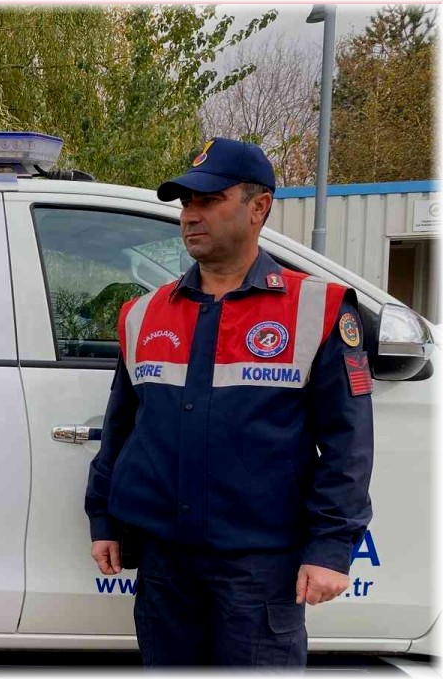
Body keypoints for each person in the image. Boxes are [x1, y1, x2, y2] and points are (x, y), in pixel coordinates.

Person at [84, 138, 374, 667]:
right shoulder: (142, 314)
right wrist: (103, 517)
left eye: (209, 200)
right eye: (186, 203)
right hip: (165, 563)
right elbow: (121, 426)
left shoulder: (319, 308)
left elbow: (347, 445)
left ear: (258, 207)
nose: (190, 215)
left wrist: (332, 548)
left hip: (260, 567)